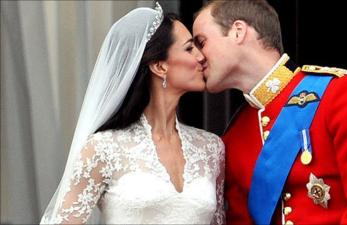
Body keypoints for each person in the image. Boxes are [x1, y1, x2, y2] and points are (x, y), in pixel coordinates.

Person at [193, 0, 347, 224]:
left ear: (238, 32)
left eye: (201, 43)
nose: (197, 57)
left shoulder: (340, 94)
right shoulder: (234, 136)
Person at [40, 3, 225, 224]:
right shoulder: (104, 148)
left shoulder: (212, 148)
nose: (201, 57)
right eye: (189, 48)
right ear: (159, 66)